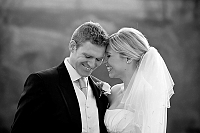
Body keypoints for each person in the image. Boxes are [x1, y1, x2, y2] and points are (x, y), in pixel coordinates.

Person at [11, 21, 110, 133]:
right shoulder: (42, 82)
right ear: (73, 46)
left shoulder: (101, 90)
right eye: (87, 56)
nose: (92, 64)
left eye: (98, 59)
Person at [104, 27, 175, 133]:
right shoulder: (114, 91)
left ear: (128, 58)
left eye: (109, 56)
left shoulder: (148, 96)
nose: (105, 61)